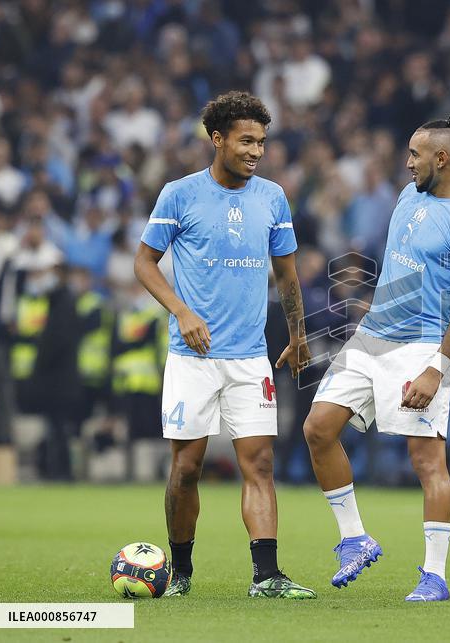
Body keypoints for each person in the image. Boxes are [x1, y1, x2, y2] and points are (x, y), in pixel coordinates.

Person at [303, 112, 450, 602]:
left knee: (427, 461)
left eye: (415, 154)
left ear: (442, 158)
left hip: (420, 347)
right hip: (371, 336)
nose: (406, 163)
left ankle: (435, 576)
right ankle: (354, 539)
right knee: (318, 428)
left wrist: (437, 368)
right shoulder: (410, 196)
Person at [133, 91, 314, 599]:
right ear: (217, 139)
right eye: (246, 140)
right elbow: (144, 263)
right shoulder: (180, 194)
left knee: (258, 464)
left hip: (249, 356)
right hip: (194, 357)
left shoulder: (273, 198)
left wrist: (299, 334)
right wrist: (183, 311)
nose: (256, 151)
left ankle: (267, 576)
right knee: (186, 467)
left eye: (262, 141)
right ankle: (181, 573)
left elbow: (288, 275)